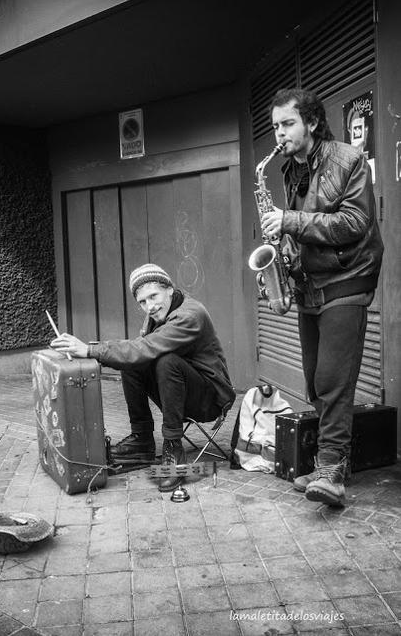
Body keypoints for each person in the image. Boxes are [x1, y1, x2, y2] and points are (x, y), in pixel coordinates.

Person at [261, 88, 384, 506]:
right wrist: (283, 261)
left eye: (288, 123)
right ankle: (328, 463)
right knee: (315, 376)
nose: (279, 133)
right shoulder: (288, 171)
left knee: (333, 377)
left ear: (312, 122)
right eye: (275, 125)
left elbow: (354, 221)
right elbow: (302, 229)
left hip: (349, 277)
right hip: (311, 284)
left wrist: (289, 220)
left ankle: (332, 467)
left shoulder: (348, 160)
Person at [50, 263, 236, 492]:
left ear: (169, 289)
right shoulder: (160, 312)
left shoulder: (190, 315)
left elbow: (144, 347)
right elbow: (138, 350)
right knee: (133, 363)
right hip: (183, 392)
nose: (150, 306)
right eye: (143, 302)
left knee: (166, 362)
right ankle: (142, 439)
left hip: (211, 400)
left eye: (153, 296)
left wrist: (89, 350)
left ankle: (173, 448)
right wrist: (92, 349)